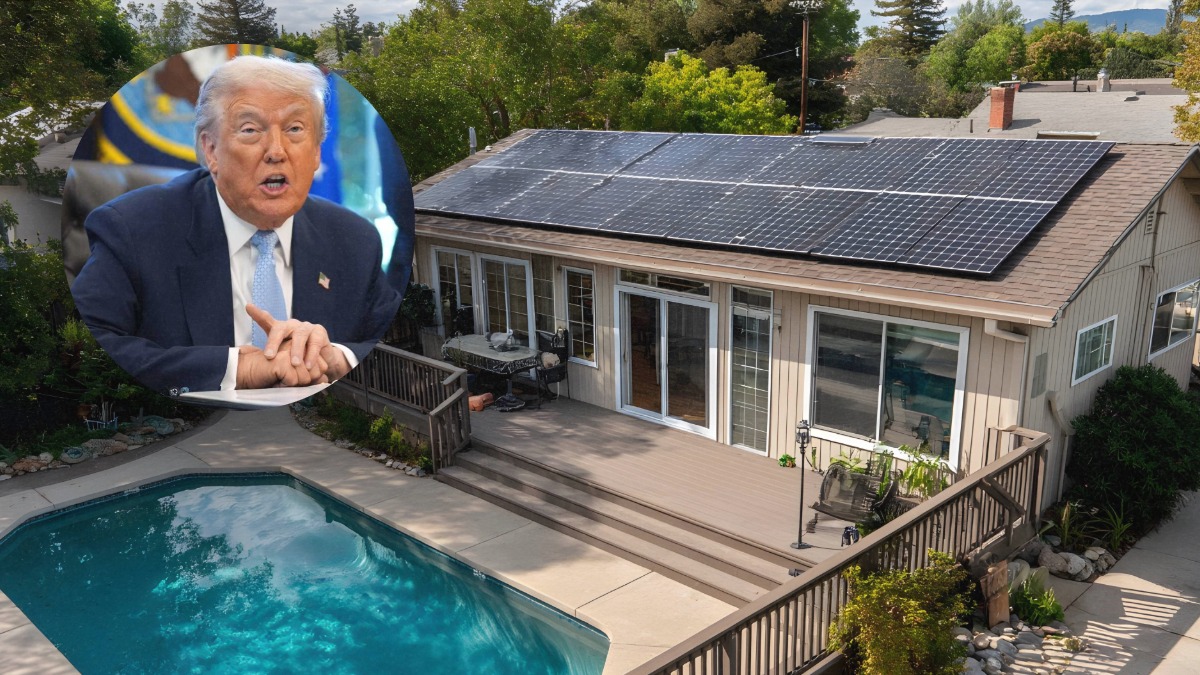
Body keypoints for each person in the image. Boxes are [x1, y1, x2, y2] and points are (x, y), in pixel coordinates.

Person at [71, 55, 401, 396]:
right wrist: (237, 368)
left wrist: (336, 359)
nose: (277, 151)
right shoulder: (131, 230)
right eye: (250, 130)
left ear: (317, 152)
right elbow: (91, 346)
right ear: (211, 150)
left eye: (295, 129)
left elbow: (397, 346)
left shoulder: (355, 240)